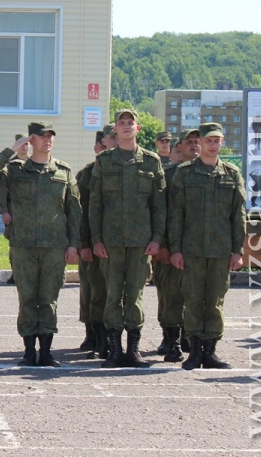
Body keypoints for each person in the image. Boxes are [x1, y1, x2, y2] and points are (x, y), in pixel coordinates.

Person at [0, 122, 80, 367]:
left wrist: (73, 244)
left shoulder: (63, 171)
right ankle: (28, 352)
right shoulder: (15, 170)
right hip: (23, 245)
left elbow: (74, 211)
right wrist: (11, 150)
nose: (47, 140)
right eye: (41, 136)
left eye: (50, 136)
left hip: (54, 247)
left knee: (49, 298)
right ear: (30, 140)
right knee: (27, 297)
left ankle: (46, 352)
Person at [89, 108, 166, 369]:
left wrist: (157, 238)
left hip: (140, 241)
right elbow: (96, 203)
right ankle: (114, 350)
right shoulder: (104, 161)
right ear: (115, 130)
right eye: (121, 123)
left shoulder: (151, 161)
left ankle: (133, 350)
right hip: (110, 241)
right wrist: (96, 239)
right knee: (112, 295)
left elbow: (159, 205)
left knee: (134, 296)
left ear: (138, 129)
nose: (125, 126)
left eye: (130, 123)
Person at [168, 122, 246, 370]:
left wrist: (238, 250)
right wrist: (176, 248)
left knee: (214, 301)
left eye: (217, 140)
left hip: (221, 250)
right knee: (192, 300)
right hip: (191, 250)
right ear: (199, 143)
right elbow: (176, 214)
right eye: (208, 140)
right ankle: (195, 351)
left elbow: (238, 215)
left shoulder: (232, 174)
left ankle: (210, 351)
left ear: (222, 142)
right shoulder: (185, 173)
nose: (212, 145)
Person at [154, 128, 199, 361]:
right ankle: (171, 342)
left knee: (196, 296)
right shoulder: (168, 175)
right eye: (188, 142)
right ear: (178, 147)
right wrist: (161, 244)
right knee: (170, 296)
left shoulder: (212, 173)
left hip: (199, 248)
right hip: (171, 248)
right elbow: (159, 212)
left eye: (197, 141)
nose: (194, 145)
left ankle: (191, 338)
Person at [76, 128, 110, 358]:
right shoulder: (86, 174)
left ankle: (109, 338)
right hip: (92, 242)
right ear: (98, 147)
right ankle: (94, 334)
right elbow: (81, 212)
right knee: (93, 290)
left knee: (113, 292)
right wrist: (84, 243)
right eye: (108, 142)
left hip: (117, 242)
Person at [0, 134, 30, 284]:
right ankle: (15, 273)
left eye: (26, 143)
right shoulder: (9, 166)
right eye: (21, 143)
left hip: (32, 212)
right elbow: (3, 189)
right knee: (14, 244)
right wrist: (4, 211)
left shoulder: (34, 163)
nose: (24, 146)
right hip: (14, 211)